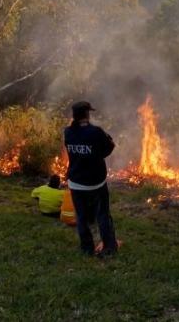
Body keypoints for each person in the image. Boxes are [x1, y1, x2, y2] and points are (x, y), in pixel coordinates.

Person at [64, 101, 118, 257]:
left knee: (81, 217)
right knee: (102, 215)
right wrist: (97, 156)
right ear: (87, 114)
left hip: (75, 182)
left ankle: (87, 248)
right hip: (95, 183)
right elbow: (110, 146)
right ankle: (109, 248)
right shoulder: (96, 132)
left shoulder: (68, 132)